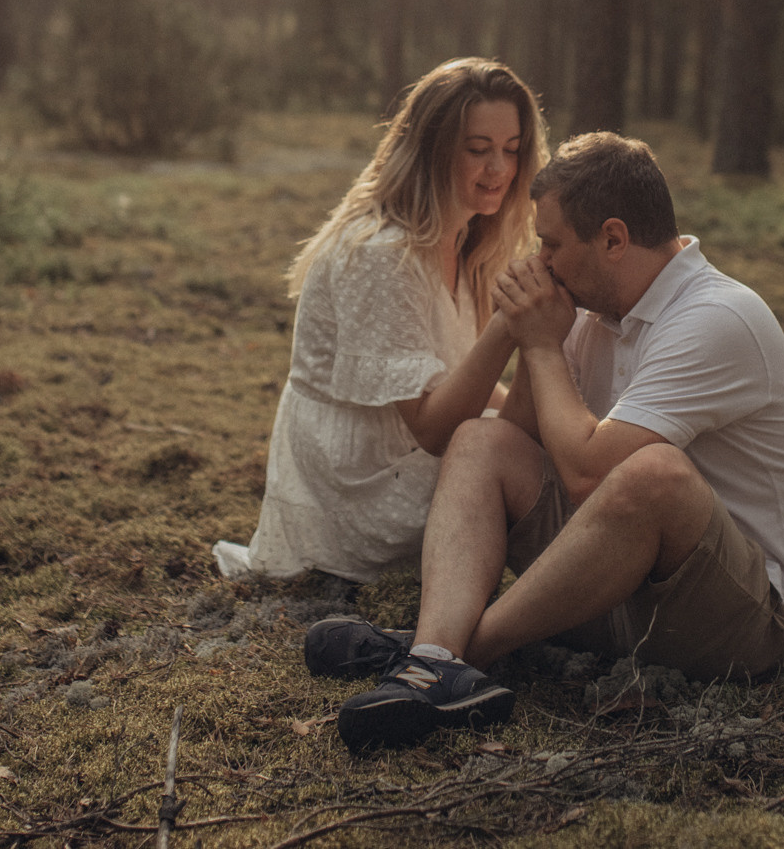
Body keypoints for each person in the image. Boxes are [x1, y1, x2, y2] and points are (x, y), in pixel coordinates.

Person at [303, 132, 784, 751]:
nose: (541, 261)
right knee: (480, 440)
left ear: (612, 238)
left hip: (742, 624)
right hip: (610, 591)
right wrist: (526, 332)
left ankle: (449, 654)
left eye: (551, 244)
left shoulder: (718, 318)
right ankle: (435, 656)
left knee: (651, 473)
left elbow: (586, 475)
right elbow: (521, 443)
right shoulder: (591, 306)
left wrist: (546, 343)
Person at [213, 59, 548, 584]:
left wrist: (545, 420)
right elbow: (435, 430)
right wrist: (510, 327)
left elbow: (465, 379)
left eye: (511, 149)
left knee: (553, 453)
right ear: (432, 151)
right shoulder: (382, 253)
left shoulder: (469, 239)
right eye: (477, 149)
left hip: (404, 451)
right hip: (359, 486)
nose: (499, 170)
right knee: (522, 471)